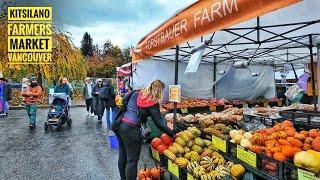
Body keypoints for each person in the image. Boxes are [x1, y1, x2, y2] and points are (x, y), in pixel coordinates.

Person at [117, 79, 175, 180]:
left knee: (123, 154)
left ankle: (123, 178)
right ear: (159, 91)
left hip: (121, 124)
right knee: (132, 160)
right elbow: (160, 124)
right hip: (131, 128)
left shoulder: (137, 92)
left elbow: (124, 100)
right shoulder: (152, 102)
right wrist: (173, 134)